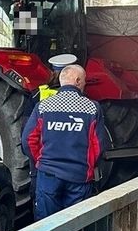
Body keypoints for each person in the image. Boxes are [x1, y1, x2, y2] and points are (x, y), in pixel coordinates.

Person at [21, 63, 109, 220]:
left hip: (48, 176)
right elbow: (99, 145)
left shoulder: (43, 106)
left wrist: (42, 162)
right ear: (77, 81)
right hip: (79, 178)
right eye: (84, 81)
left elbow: (28, 140)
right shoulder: (92, 108)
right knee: (76, 228)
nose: (84, 84)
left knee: (45, 227)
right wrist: (86, 165)